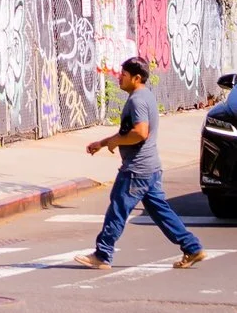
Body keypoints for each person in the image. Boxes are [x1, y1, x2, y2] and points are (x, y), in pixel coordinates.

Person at [73, 57, 205, 270]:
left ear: (136, 78)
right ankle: (191, 247)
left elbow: (140, 133)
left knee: (117, 209)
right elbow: (128, 131)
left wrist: (115, 141)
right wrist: (103, 142)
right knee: (161, 212)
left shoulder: (137, 100)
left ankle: (102, 254)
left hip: (136, 169)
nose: (119, 78)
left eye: (123, 75)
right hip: (150, 168)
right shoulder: (145, 97)